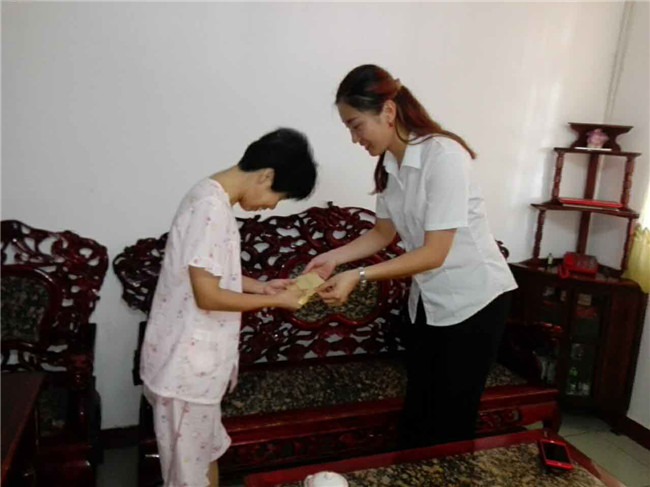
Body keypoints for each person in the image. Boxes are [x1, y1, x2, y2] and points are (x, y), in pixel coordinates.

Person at [305, 65, 517, 448]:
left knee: (451, 423)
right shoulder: (390, 165)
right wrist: (334, 258)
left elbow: (435, 253)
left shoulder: (444, 156)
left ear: (388, 112)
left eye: (356, 126)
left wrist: (359, 276)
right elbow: (382, 233)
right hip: (429, 303)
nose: (354, 138)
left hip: (474, 303)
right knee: (418, 414)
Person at [140, 128, 317, 487]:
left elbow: (207, 274)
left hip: (191, 368)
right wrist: (277, 301)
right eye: (278, 196)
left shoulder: (209, 197)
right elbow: (208, 296)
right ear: (266, 176)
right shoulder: (210, 209)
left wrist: (262, 287)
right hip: (186, 371)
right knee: (190, 476)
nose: (272, 206)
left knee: (204, 457)